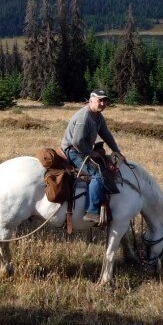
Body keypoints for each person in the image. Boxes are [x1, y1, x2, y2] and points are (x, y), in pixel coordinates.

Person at [60, 89, 125, 224]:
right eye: (99, 100)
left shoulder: (98, 116)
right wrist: (90, 153)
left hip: (81, 149)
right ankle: (91, 211)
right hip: (73, 150)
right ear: (91, 100)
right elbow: (77, 142)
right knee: (98, 175)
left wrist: (117, 152)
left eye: (105, 101)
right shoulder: (84, 117)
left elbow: (106, 134)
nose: (102, 103)